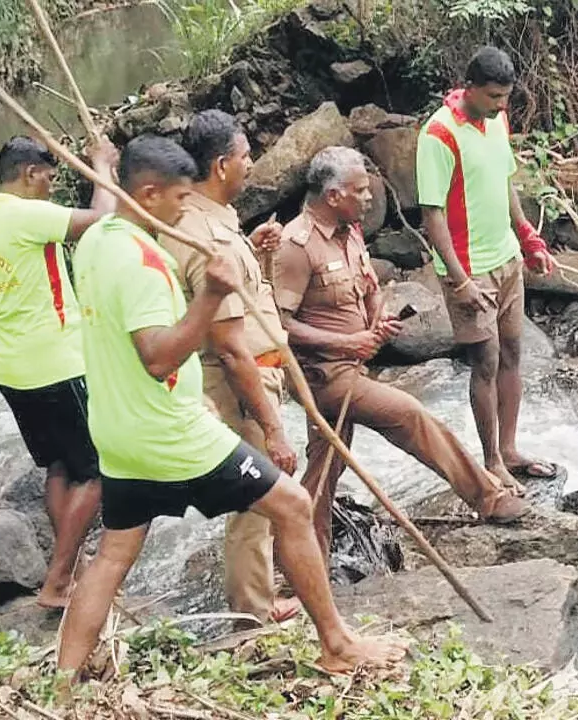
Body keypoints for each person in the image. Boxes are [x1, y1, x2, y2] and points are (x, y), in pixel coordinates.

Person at [59, 134, 406, 677]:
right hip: (170, 430)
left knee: (112, 558)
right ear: (148, 194)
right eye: (177, 199)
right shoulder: (143, 260)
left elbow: (107, 203)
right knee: (292, 505)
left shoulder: (98, 240)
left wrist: (102, 161)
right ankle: (337, 644)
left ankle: (62, 684)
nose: (184, 208)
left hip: (118, 431)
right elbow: (157, 357)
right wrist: (212, 296)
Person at [273, 145, 530, 562]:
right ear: (334, 196)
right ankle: (487, 497)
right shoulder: (295, 246)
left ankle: (301, 559)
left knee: (325, 469)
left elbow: (370, 290)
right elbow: (278, 323)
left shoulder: (350, 232)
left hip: (355, 365)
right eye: (360, 190)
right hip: (324, 378)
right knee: (410, 414)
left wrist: (377, 322)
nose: (371, 197)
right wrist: (348, 343)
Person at [160, 109, 301, 627]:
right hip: (240, 382)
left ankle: (256, 598)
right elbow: (232, 347)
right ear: (221, 165)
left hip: (247, 372)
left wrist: (256, 253)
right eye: (245, 157)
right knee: (257, 499)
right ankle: (254, 611)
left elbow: (241, 298)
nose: (251, 165)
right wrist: (272, 424)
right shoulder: (207, 237)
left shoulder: (211, 221)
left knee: (258, 499)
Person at [0, 135, 118, 608]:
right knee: (99, 470)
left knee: (59, 464)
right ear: (30, 173)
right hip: (58, 361)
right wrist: (101, 167)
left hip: (14, 369)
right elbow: (102, 223)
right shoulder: (26, 215)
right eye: (51, 178)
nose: (52, 188)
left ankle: (66, 569)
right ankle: (58, 581)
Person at [416, 45, 558, 491]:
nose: (502, 106)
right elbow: (432, 213)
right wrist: (459, 281)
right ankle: (491, 460)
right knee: (485, 361)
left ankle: (511, 449)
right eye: (494, 97)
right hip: (469, 269)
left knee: (514, 353)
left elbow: (504, 180)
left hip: (506, 259)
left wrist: (527, 236)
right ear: (470, 87)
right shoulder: (438, 134)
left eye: (506, 98)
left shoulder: (497, 121)